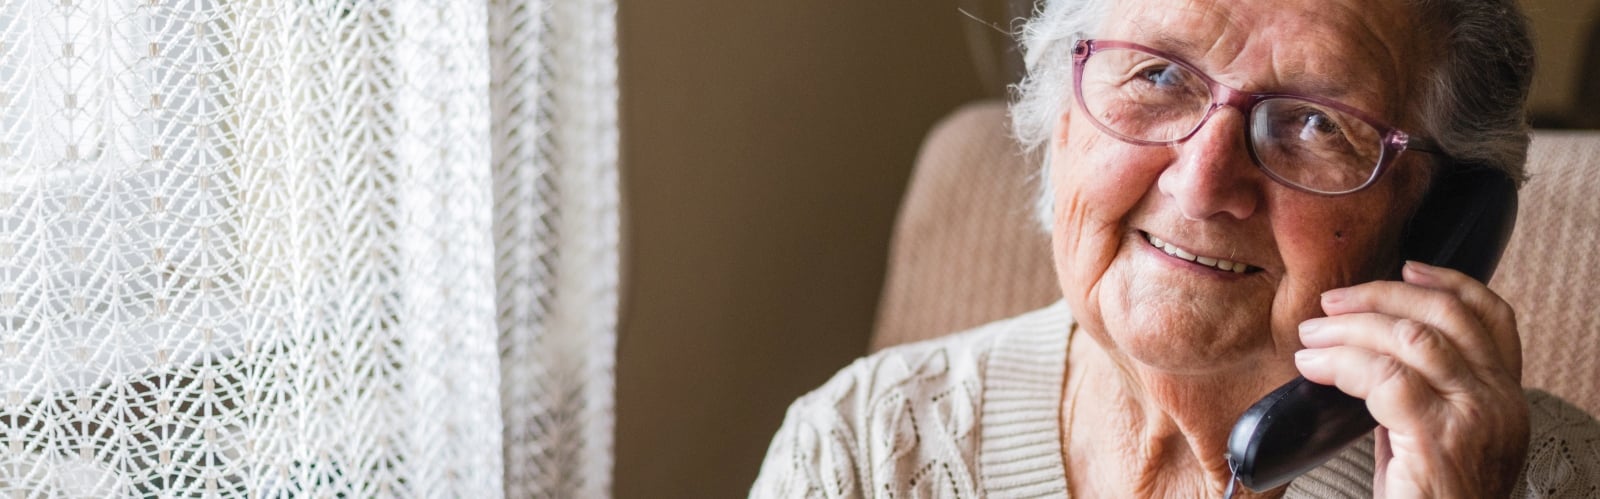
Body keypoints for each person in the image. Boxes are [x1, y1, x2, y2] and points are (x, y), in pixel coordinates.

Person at [750, 0, 1600, 496]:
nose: (1202, 182)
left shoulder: (1551, 478)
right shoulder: (861, 449)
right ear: (1059, 116)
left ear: (1437, 217)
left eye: (1313, 122)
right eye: (1157, 75)